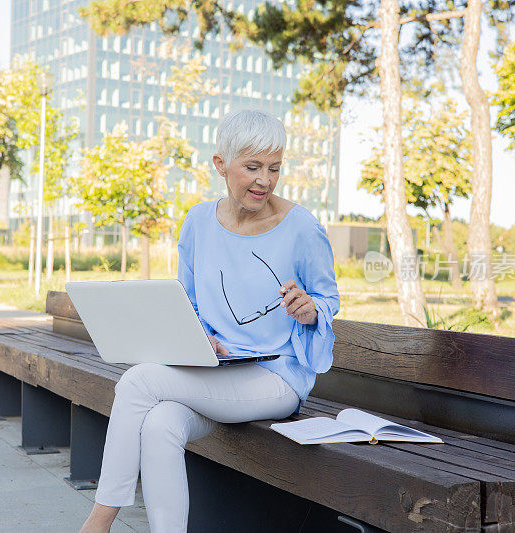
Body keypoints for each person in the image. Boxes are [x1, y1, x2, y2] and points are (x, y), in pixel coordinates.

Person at [79, 109, 339, 533]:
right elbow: (189, 303)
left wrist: (311, 310)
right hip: (216, 370)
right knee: (161, 424)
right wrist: (201, 336)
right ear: (221, 164)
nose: (265, 180)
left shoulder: (301, 227)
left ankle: (98, 522)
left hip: (276, 378)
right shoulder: (199, 222)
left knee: (139, 382)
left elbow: (327, 299)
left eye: (274, 168)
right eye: (252, 167)